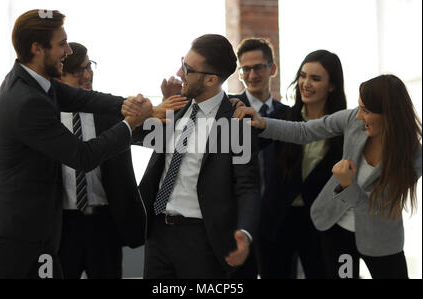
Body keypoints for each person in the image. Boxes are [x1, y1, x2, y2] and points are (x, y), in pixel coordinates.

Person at [0, 9, 151, 279]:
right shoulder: (26, 100)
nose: (68, 51)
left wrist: (127, 105)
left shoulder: (35, 82)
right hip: (11, 236)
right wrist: (131, 123)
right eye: (61, 44)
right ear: (37, 48)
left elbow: (83, 99)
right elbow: (82, 156)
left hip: (36, 230)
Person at [235, 74, 422, 279]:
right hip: (337, 230)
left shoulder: (414, 157)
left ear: (389, 114)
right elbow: (304, 131)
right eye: (359, 108)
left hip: (380, 238)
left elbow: (376, 208)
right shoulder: (353, 120)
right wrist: (263, 123)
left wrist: (347, 185)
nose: (359, 116)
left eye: (366, 111)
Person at [124, 34, 261, 278]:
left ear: (210, 79)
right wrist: (143, 112)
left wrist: (245, 231)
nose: (179, 72)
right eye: (182, 62)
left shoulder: (237, 123)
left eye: (187, 68)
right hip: (158, 234)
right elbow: (133, 135)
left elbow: (247, 185)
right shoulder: (174, 107)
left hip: (203, 240)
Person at [56, 42, 146, 279]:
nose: (87, 75)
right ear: (60, 76)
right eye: (79, 71)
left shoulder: (109, 109)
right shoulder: (47, 117)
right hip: (62, 224)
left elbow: (148, 133)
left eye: (90, 66)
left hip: (105, 221)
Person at [259, 50, 346, 278]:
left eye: (315, 79)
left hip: (320, 224)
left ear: (332, 86)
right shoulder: (283, 118)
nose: (305, 84)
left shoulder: (344, 129)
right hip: (277, 220)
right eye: (303, 76)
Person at [228, 37, 289, 279]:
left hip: (278, 219)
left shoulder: (287, 115)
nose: (252, 74)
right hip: (238, 219)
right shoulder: (229, 109)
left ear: (272, 69)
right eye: (245, 69)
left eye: (258, 67)